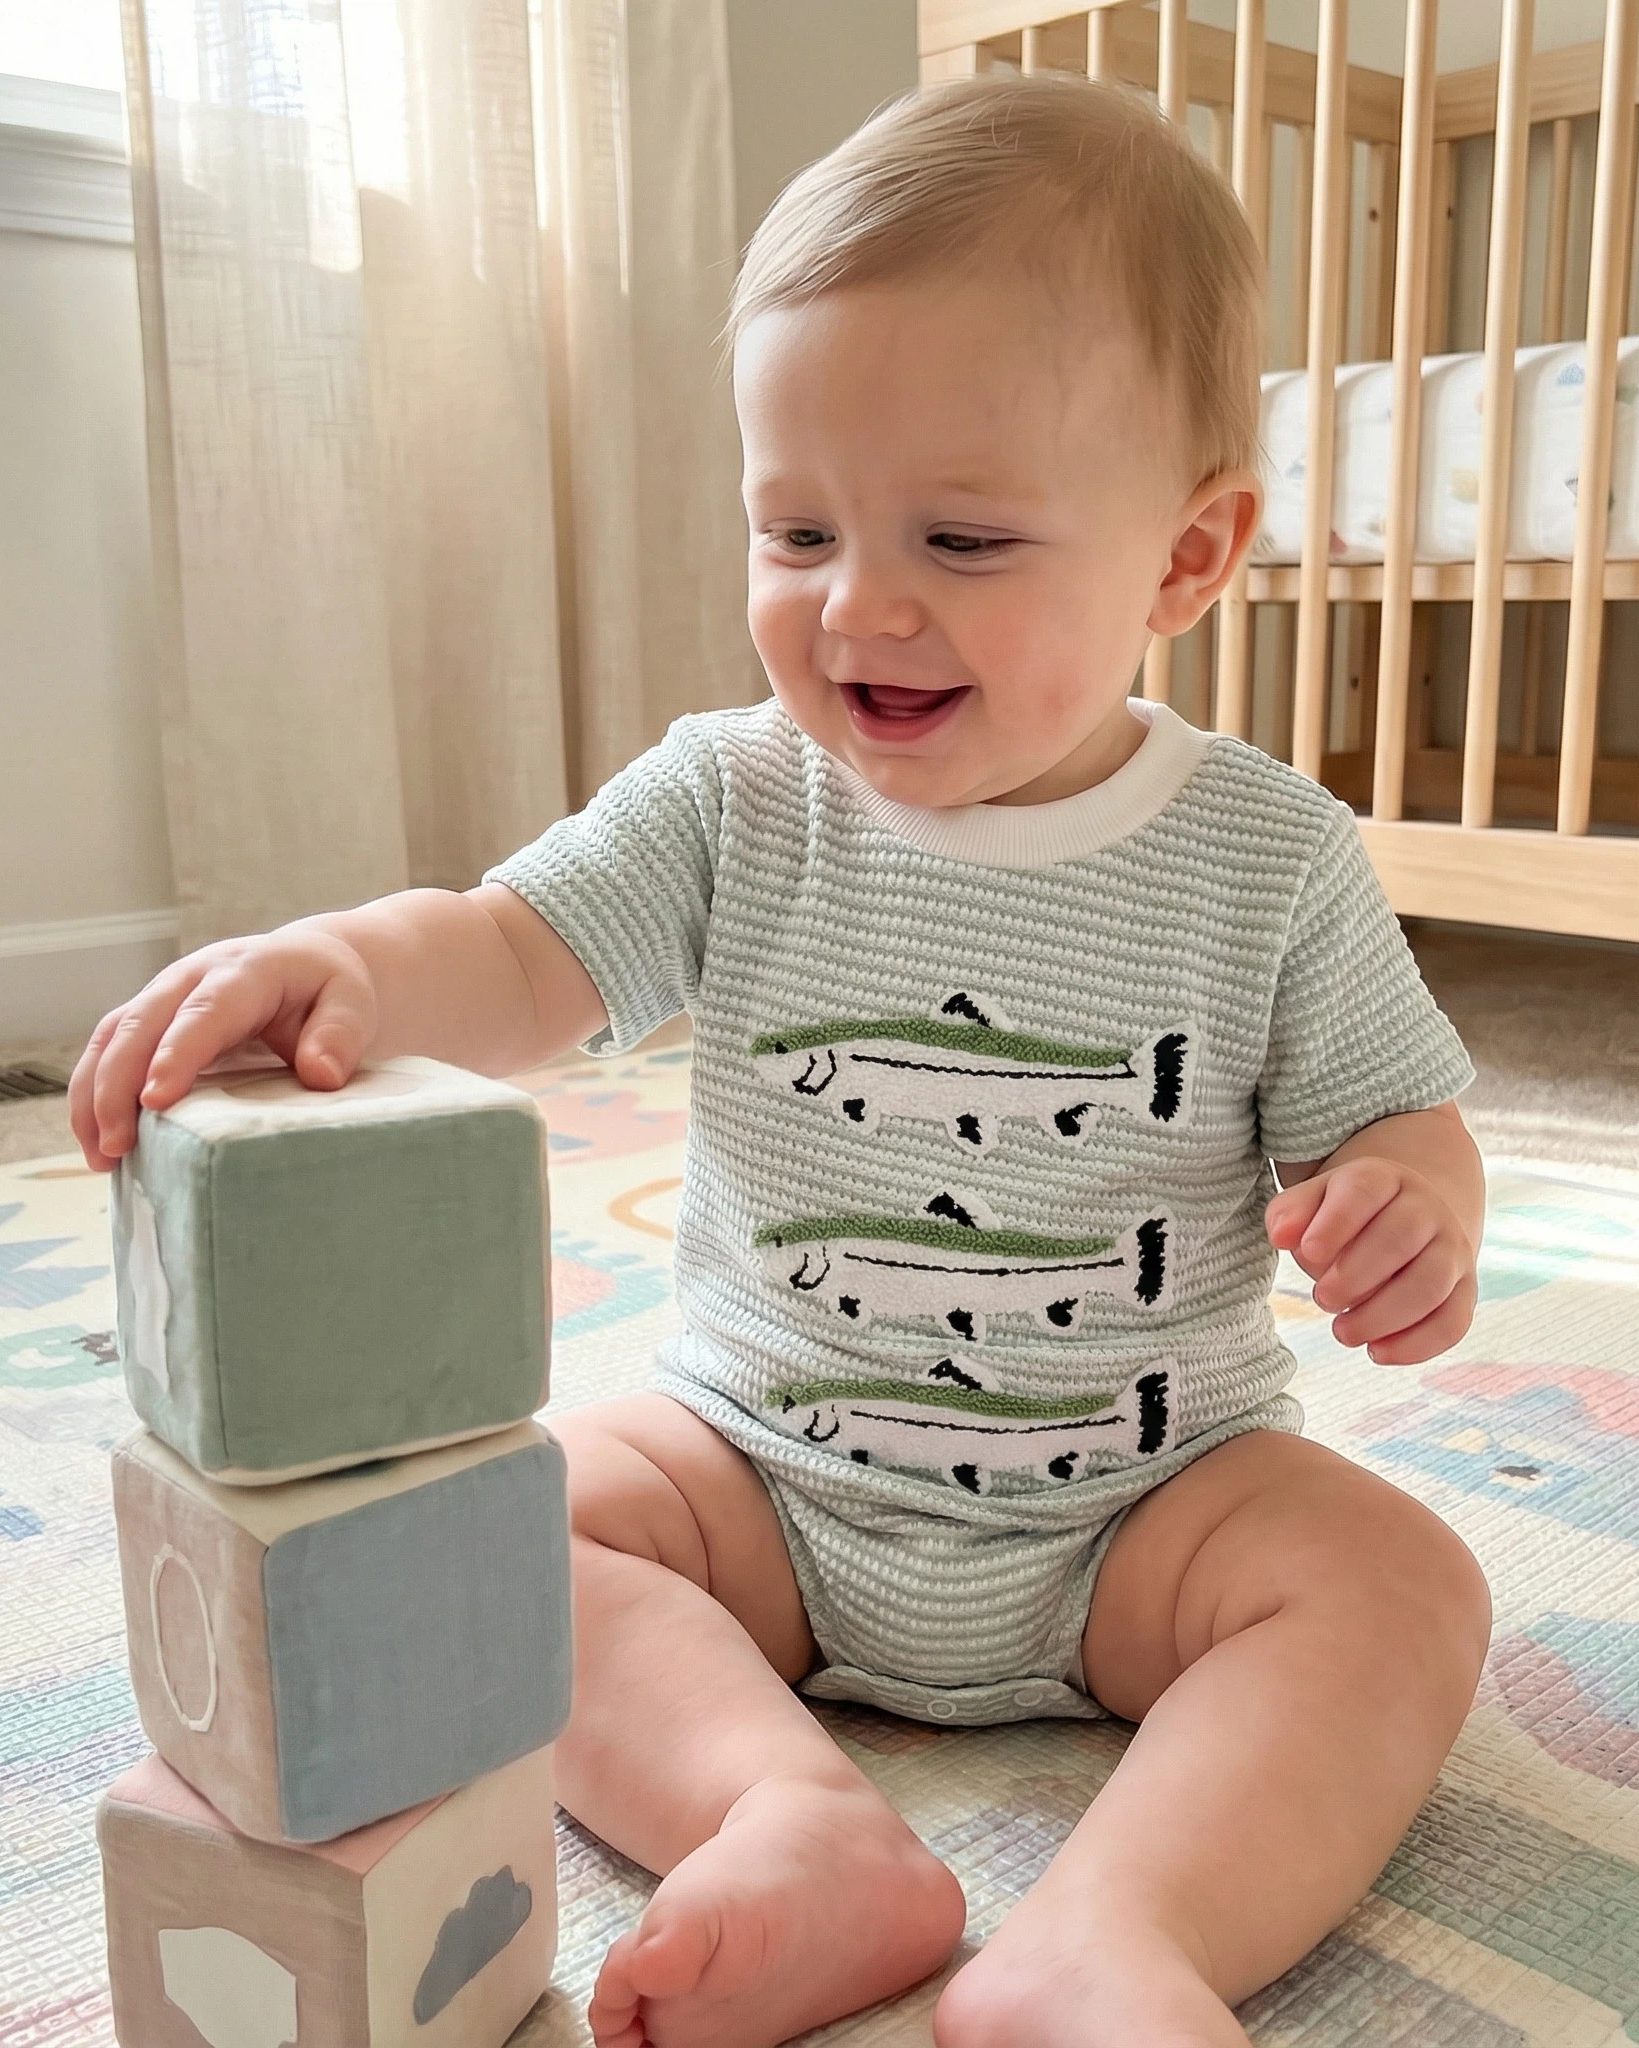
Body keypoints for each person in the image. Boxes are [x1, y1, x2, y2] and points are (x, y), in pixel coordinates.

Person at [73, 76, 1492, 2048]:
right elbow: (509, 948)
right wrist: (335, 967)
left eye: (963, 537)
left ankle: (1115, 1931)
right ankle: (789, 1816)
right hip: (762, 1480)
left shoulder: (1269, 856)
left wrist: (1413, 1203)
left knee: (1399, 1587)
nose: (859, 603)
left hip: (1146, 1514)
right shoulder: (733, 798)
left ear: (1187, 558)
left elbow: (1393, 1119)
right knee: (495, 1524)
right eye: (794, 525)